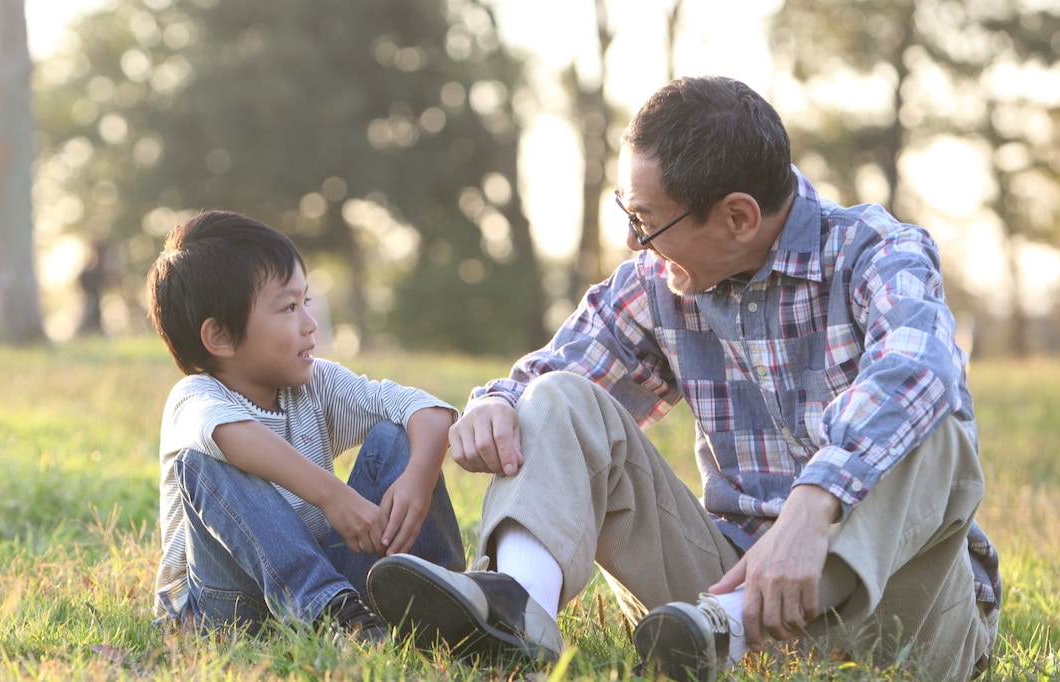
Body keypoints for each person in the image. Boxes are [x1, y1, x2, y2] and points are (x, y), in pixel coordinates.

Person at [366, 76, 1000, 680]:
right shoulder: (660, 283)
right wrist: (500, 403)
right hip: (705, 594)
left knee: (935, 431)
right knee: (554, 398)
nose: (634, 241)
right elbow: (560, 372)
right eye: (628, 213)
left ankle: (728, 630)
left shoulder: (877, 252)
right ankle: (515, 617)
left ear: (738, 219)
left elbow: (922, 369)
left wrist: (815, 503)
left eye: (647, 222)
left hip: (895, 613)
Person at [146, 209, 464, 643]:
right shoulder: (196, 398)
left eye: (306, 302)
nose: (310, 324)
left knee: (395, 436)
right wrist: (333, 495)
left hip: (328, 582)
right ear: (219, 336)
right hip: (224, 610)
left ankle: (439, 604)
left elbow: (426, 410)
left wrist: (417, 480)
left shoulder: (315, 382)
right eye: (289, 307)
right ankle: (333, 614)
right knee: (201, 461)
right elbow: (230, 435)